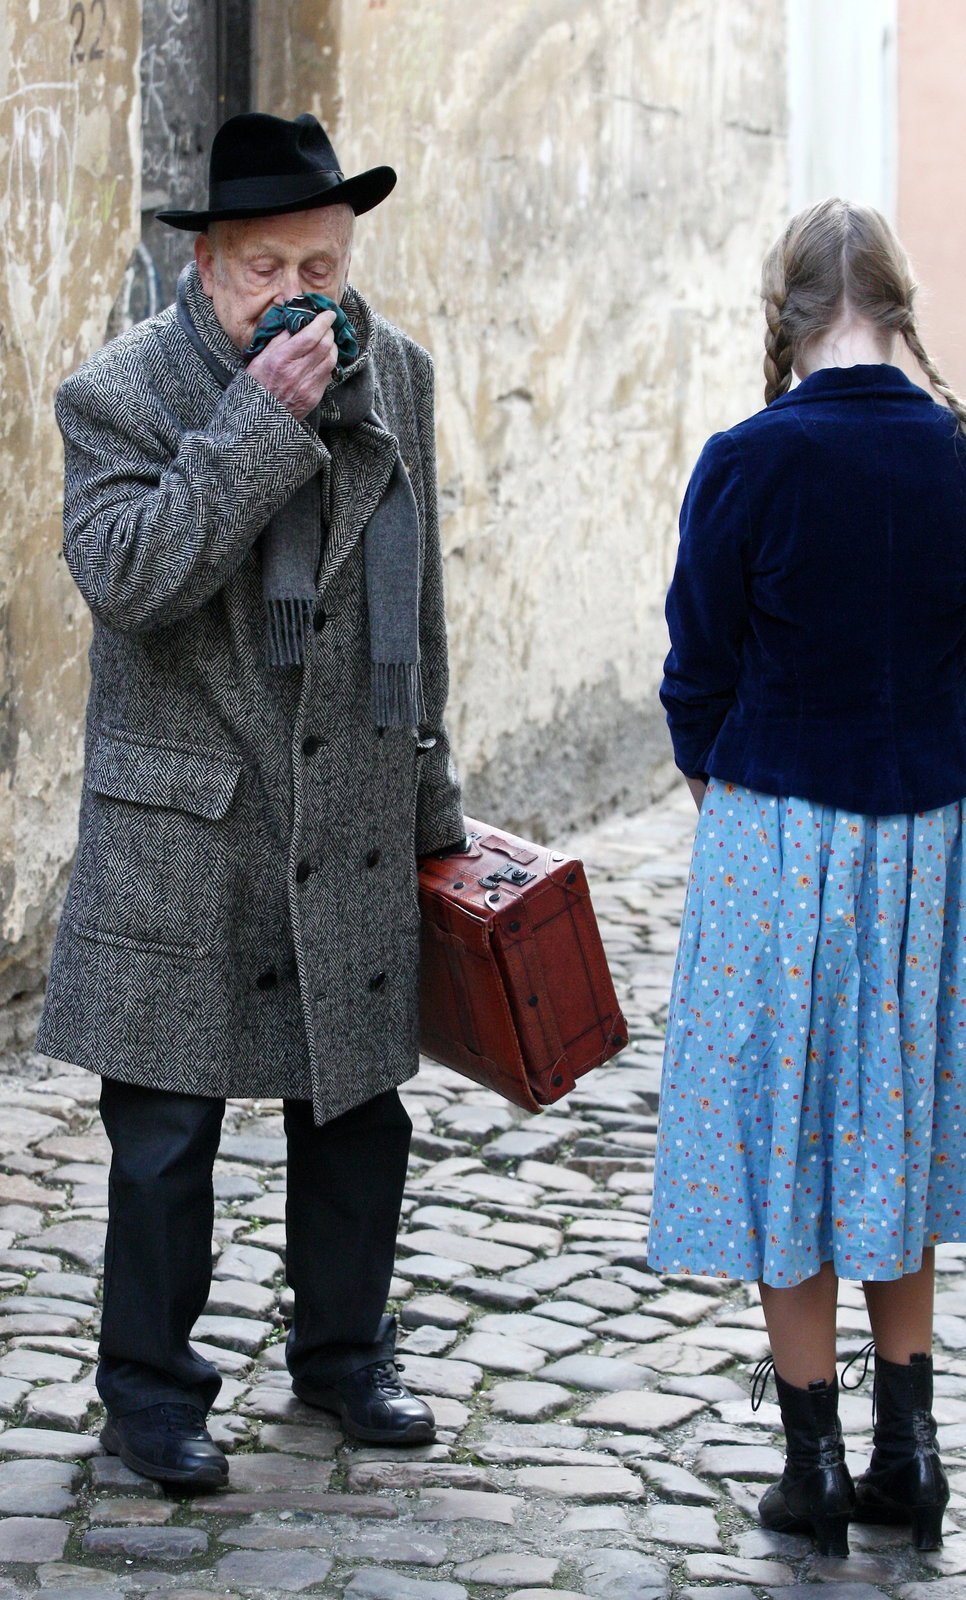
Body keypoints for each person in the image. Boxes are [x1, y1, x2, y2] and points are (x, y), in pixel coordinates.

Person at [36, 111, 467, 1488]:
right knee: (164, 1135)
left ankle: (345, 1359)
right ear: (208, 267)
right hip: (187, 826)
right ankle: (151, 1397)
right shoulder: (119, 394)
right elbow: (130, 580)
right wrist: (254, 425)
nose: (301, 292)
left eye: (323, 263)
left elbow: (423, 611)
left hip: (346, 805)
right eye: (268, 262)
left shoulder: (393, 372)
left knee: (359, 1113)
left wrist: (432, 811)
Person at [648, 199, 966, 1558]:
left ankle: (812, 1469)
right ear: (895, 303)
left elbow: (698, 663)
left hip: (778, 831)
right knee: (893, 1122)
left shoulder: (748, 458)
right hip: (925, 839)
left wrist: (718, 776)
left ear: (787, 312)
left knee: (783, 1131)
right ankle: (907, 1459)